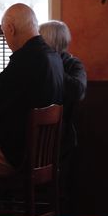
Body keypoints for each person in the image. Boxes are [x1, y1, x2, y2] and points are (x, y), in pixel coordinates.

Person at [0, 3, 64, 175]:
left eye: (4, 32)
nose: (6, 39)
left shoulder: (26, 60)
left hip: (14, 154)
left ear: (10, 28)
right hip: (43, 155)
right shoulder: (54, 59)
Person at [39, 20, 87, 159]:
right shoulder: (38, 64)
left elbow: (78, 91)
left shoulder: (73, 64)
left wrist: (54, 67)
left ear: (51, 42)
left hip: (62, 136)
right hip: (35, 132)